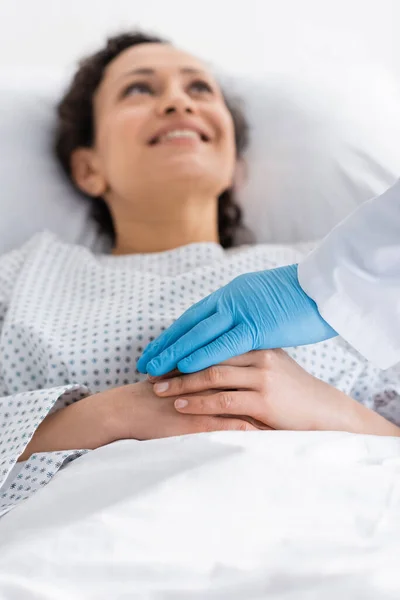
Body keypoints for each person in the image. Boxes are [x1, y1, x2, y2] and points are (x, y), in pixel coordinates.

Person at [0, 31, 399, 519]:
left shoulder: (344, 271)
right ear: (89, 167)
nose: (176, 102)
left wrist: (329, 411)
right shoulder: (21, 278)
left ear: (234, 163)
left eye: (200, 90)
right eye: (139, 90)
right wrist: (108, 416)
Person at [138, 180, 400, 376]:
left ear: (236, 169)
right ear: (94, 169)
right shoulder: (95, 283)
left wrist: (321, 404)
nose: (180, 104)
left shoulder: (312, 254)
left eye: (202, 101)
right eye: (137, 101)